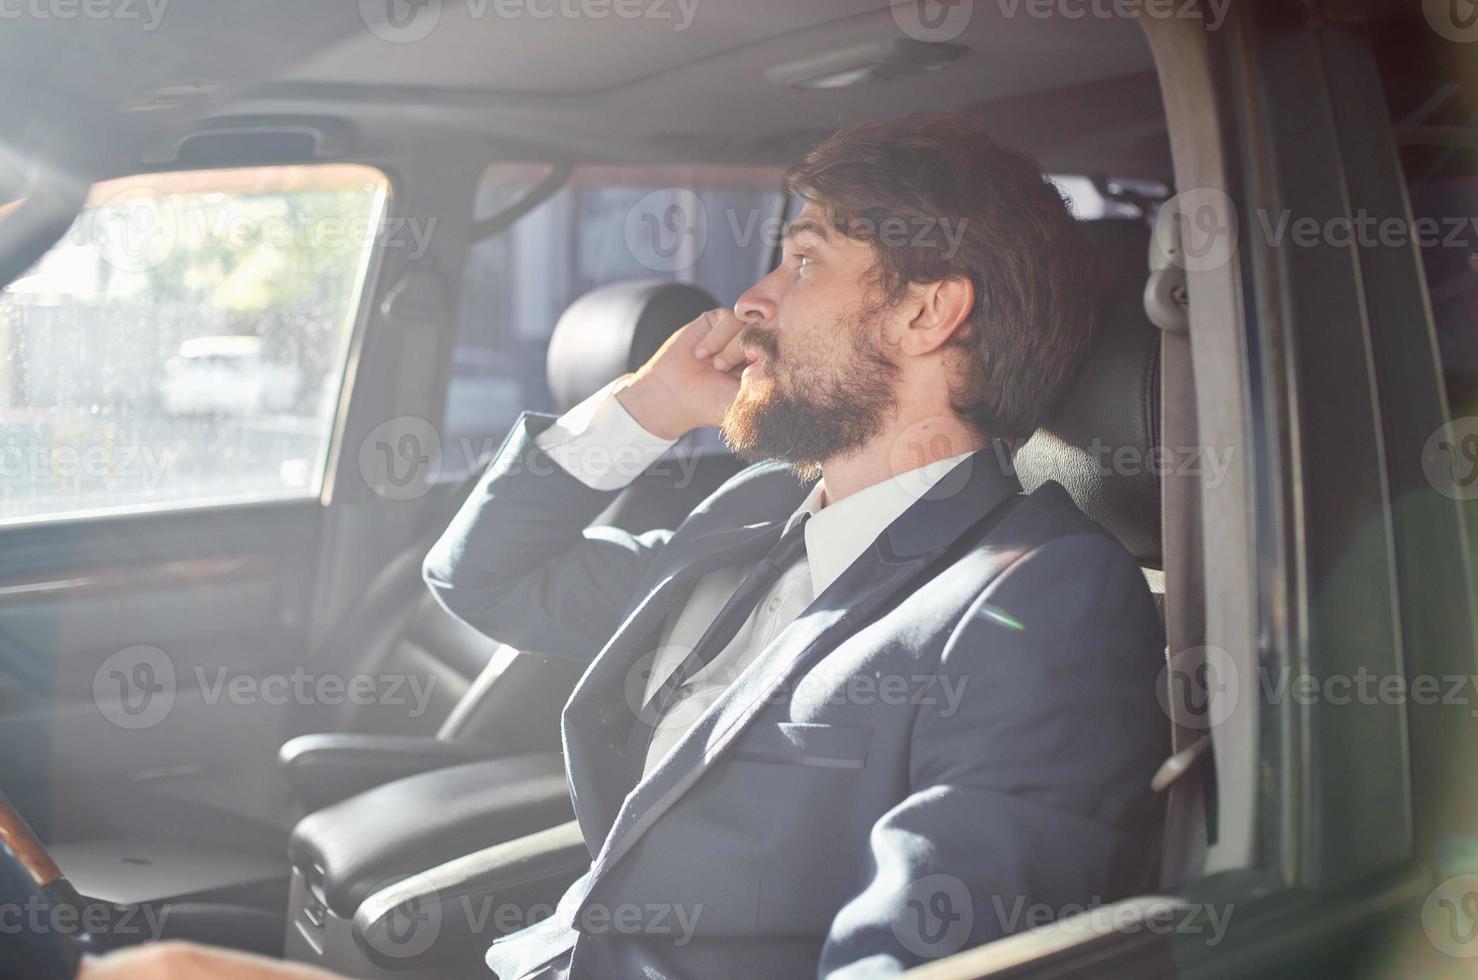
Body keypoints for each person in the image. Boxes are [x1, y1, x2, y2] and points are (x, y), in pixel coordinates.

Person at [77, 110, 1167, 979]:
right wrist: (641, 411)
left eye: (801, 261)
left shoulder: (1045, 597)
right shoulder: (754, 517)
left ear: (927, 313)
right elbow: (482, 573)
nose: (750, 300)